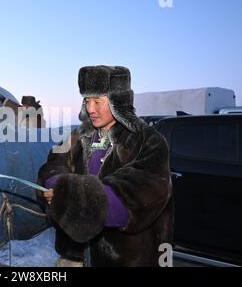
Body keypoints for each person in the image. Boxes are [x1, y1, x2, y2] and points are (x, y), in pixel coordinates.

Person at [38, 66, 173, 267]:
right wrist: (56, 185)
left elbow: (133, 198)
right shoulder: (77, 136)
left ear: (118, 102)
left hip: (126, 259)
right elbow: (52, 165)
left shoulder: (148, 141)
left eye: (98, 101)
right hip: (75, 255)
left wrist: (69, 195)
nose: (90, 109)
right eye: (86, 100)